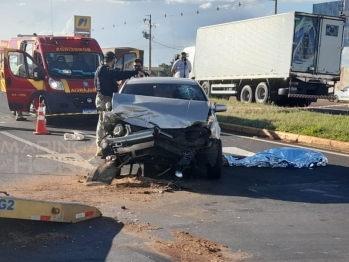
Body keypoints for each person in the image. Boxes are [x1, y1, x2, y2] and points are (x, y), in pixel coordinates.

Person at [94, 51, 145, 156]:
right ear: (113, 60)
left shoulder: (101, 70)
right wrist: (135, 72)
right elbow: (118, 75)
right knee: (104, 122)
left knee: (107, 122)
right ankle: (100, 146)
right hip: (105, 99)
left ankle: (105, 144)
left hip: (104, 98)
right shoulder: (105, 70)